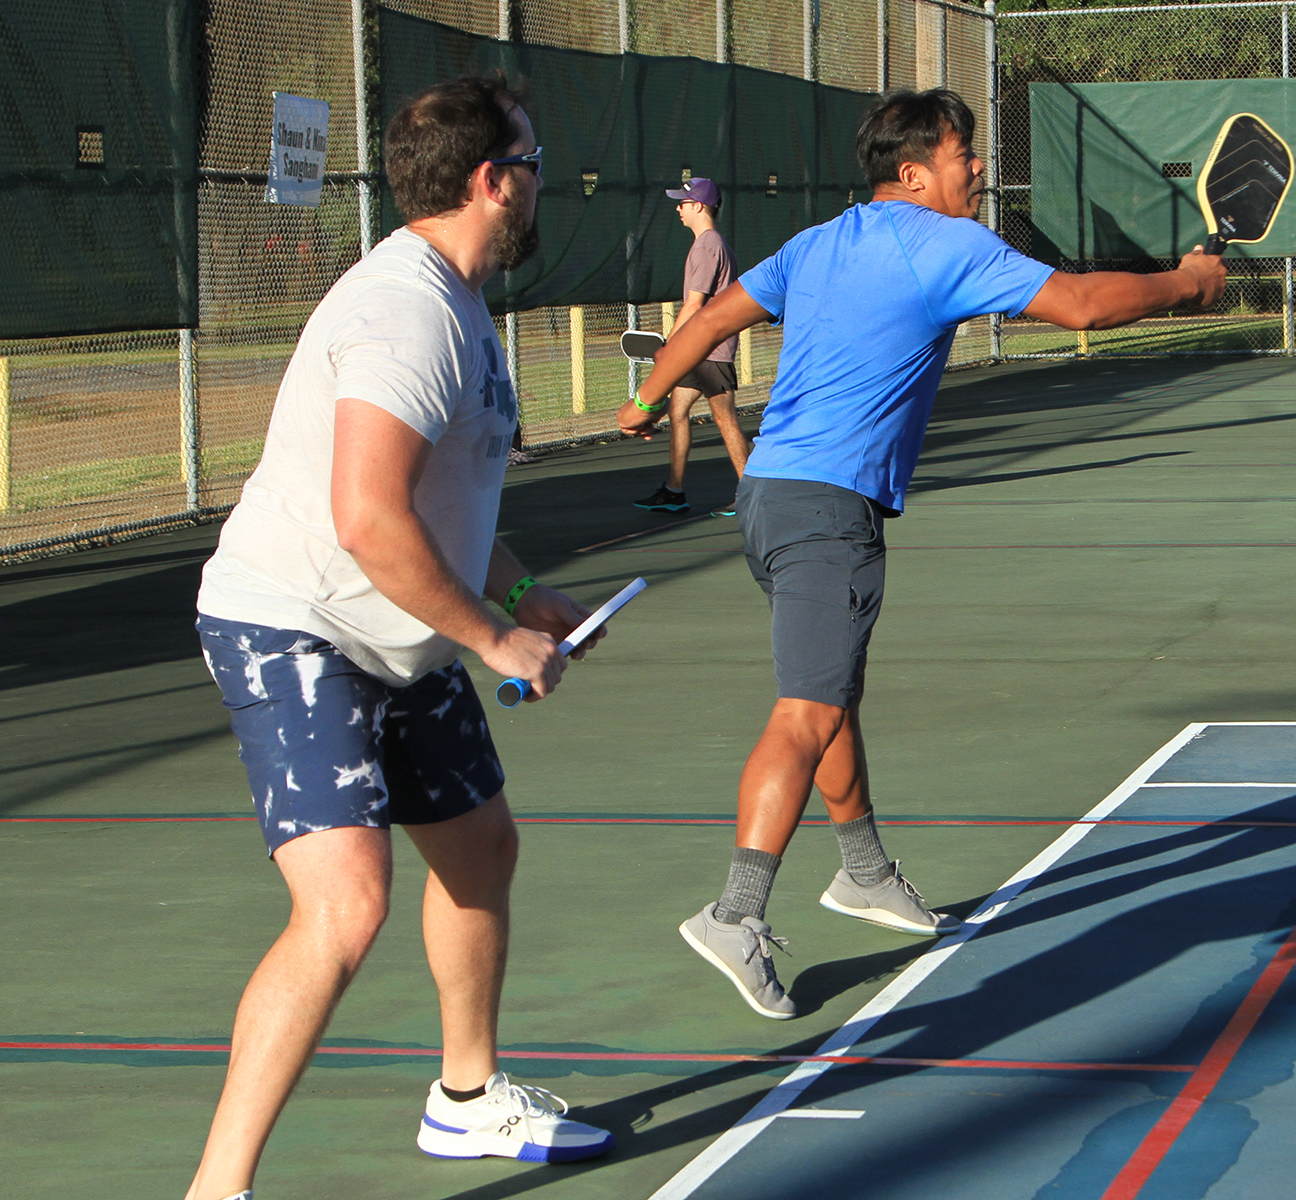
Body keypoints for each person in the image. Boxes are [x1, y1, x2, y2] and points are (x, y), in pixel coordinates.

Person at [614, 88, 1225, 1019]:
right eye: (962, 154)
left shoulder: (816, 243)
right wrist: (1186, 284)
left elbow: (706, 325)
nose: (976, 167)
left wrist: (645, 399)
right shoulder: (945, 245)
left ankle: (863, 872)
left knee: (830, 693)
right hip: (828, 509)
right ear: (913, 172)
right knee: (807, 710)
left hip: (770, 499)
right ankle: (735, 913)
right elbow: (1079, 306)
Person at [186, 77, 614, 1200]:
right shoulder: (405, 313)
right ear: (493, 181)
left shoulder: (459, 304)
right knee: (345, 905)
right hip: (297, 623)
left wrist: (522, 591)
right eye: (533, 163)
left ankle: (466, 1100)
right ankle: (217, 1188)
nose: (541, 185)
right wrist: (494, 638)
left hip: (399, 629)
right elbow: (369, 519)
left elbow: (440, 505)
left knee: (480, 849)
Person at [633, 176, 752, 516]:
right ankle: (674, 491)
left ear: (699, 206)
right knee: (678, 411)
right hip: (698, 349)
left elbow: (694, 304)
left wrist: (670, 346)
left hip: (710, 348)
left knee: (724, 417)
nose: (678, 209)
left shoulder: (707, 245)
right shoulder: (708, 243)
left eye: (683, 203)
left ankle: (753, 493)